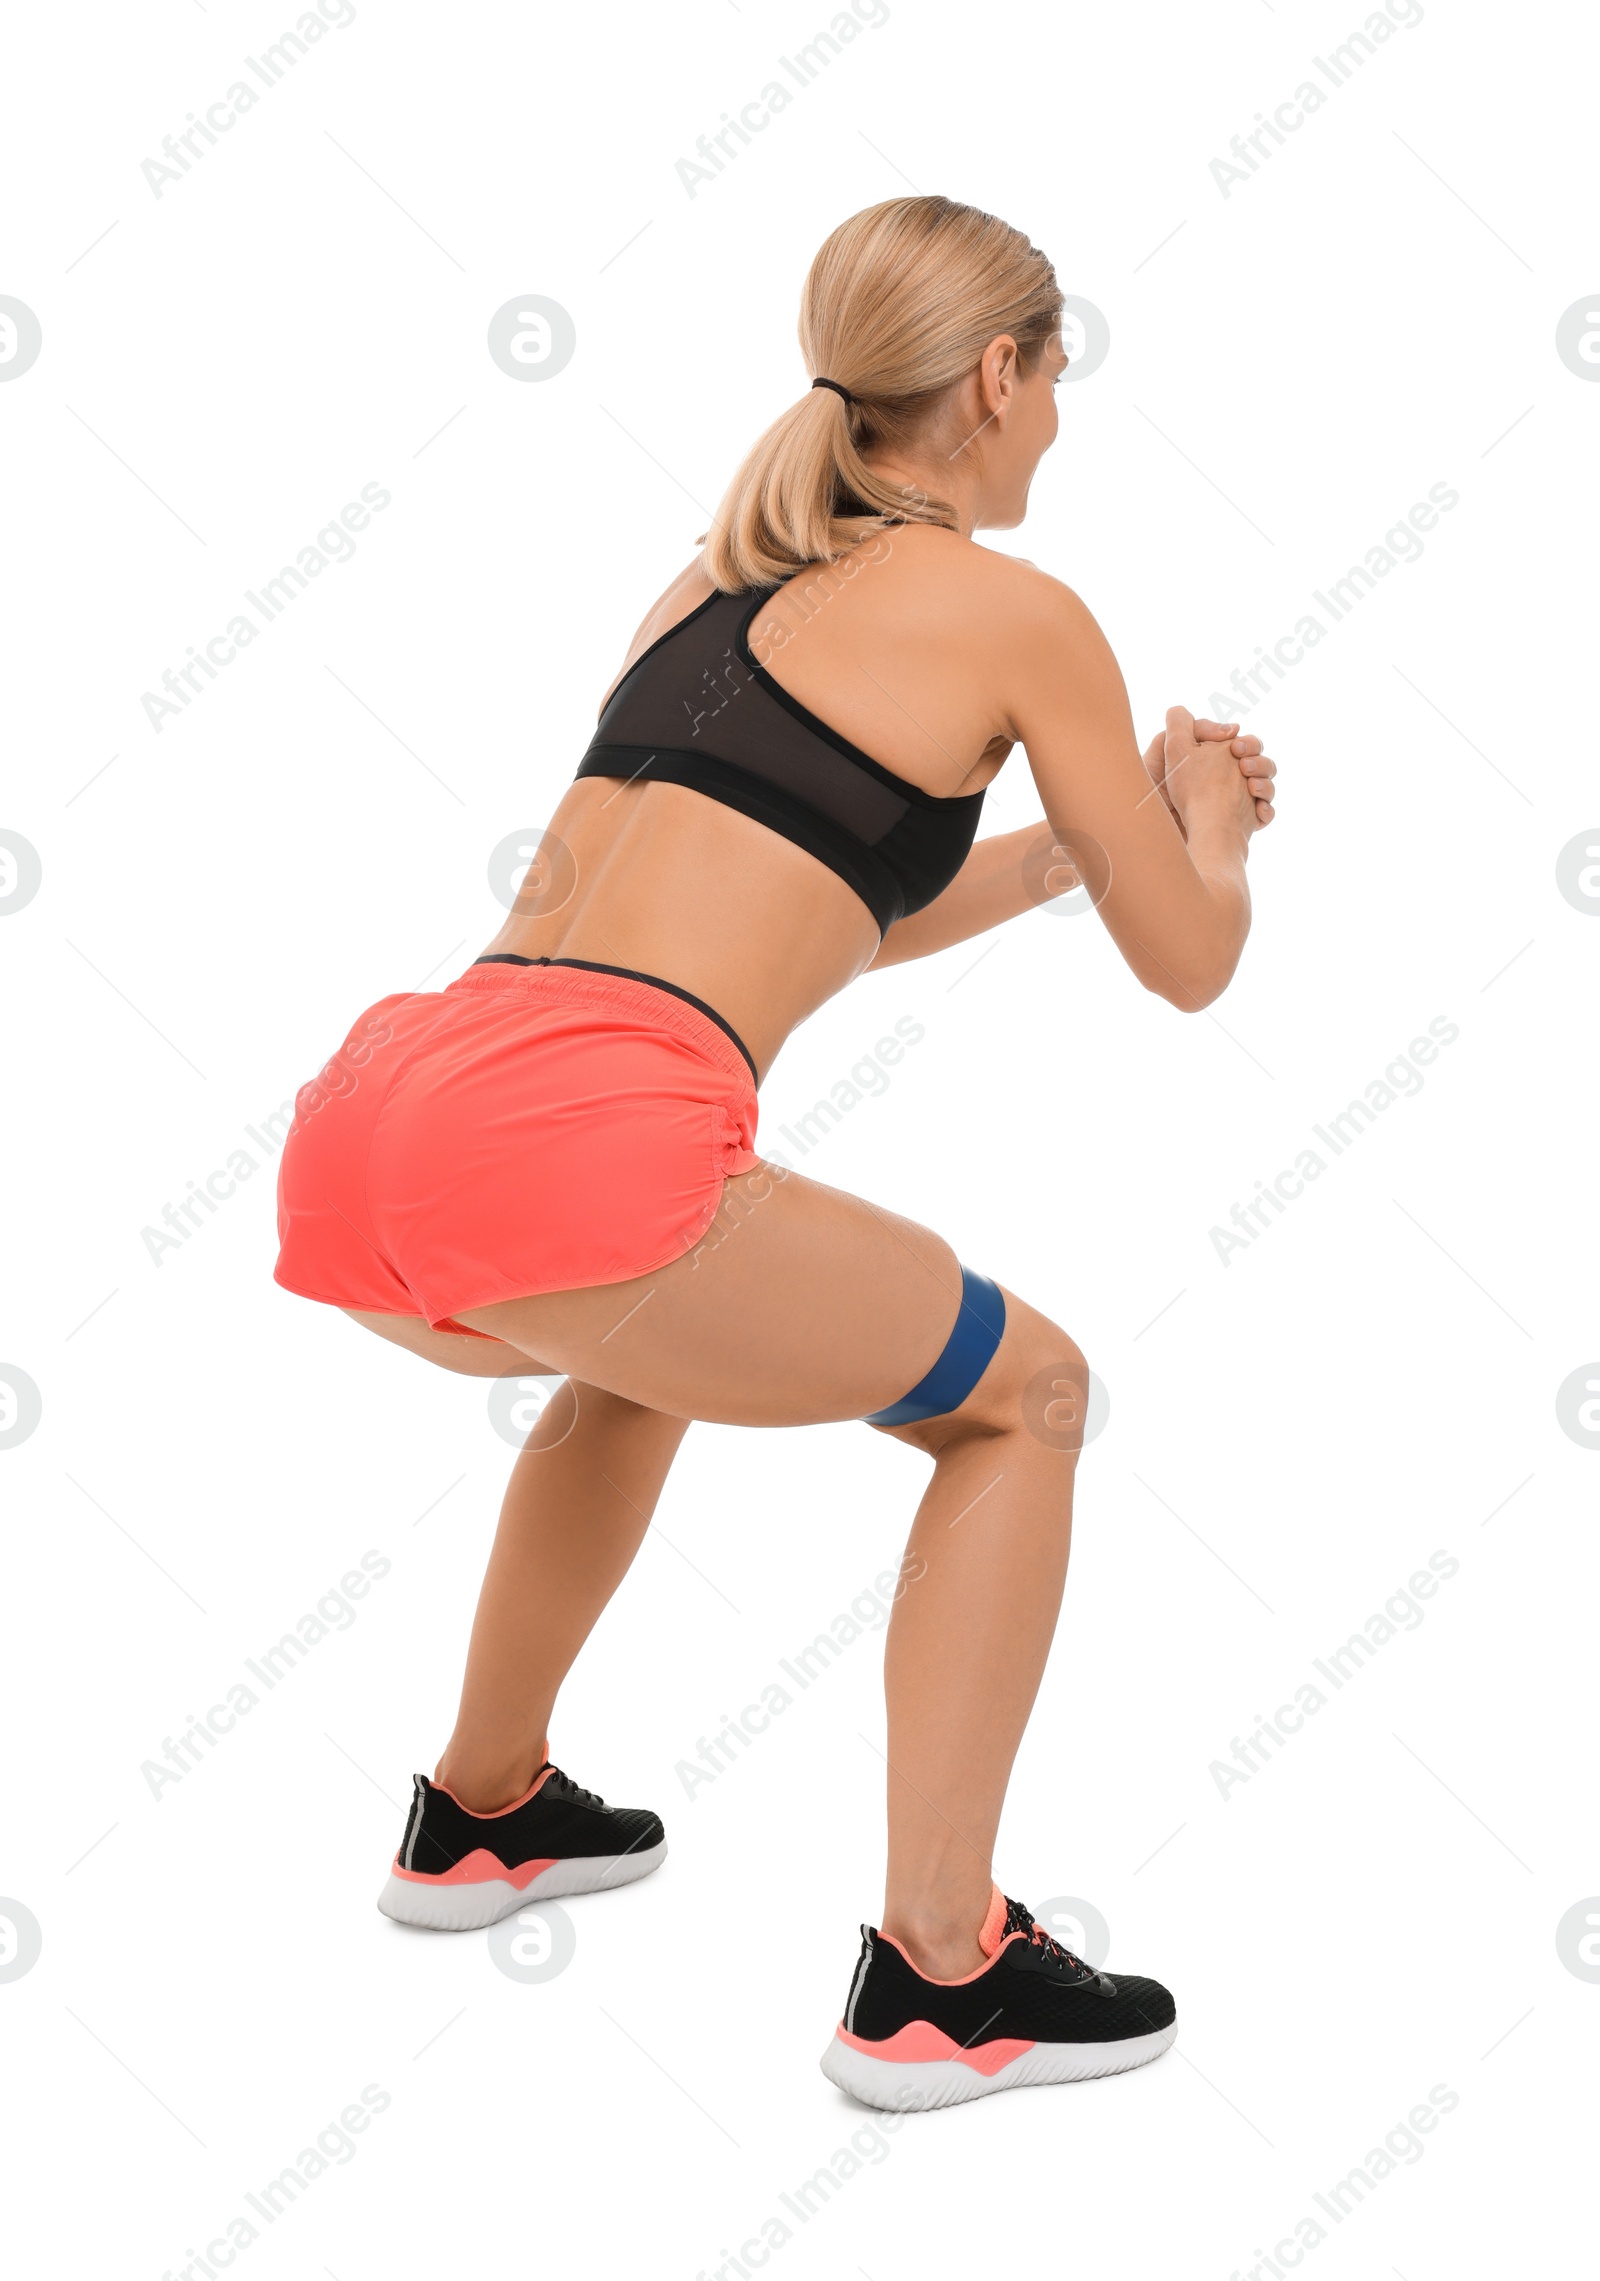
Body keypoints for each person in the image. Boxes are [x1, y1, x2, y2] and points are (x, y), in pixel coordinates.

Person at [274, 194, 1277, 2110]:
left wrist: (1083, 837)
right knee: (1030, 1393)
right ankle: (944, 1968)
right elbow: (1193, 962)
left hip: (387, 1114)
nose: (1059, 423)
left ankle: (482, 1810)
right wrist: (1205, 825)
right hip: (580, 1139)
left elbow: (822, 904)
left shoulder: (708, 584)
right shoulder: (1020, 613)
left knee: (634, 1360)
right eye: (1058, 381)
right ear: (999, 373)